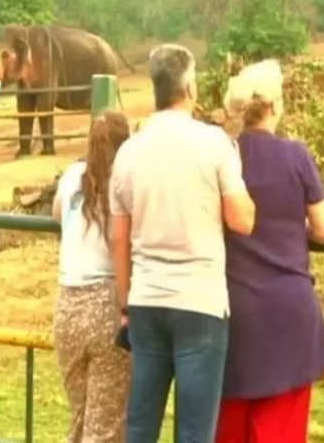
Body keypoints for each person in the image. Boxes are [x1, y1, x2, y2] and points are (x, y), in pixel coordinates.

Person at [109, 43, 255, 443]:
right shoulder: (214, 143)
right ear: (189, 86)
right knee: (194, 431)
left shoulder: (129, 151)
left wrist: (125, 303)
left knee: (140, 426)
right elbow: (242, 220)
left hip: (146, 302)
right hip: (199, 302)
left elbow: (118, 237)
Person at [216, 60, 324, 443]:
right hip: (289, 315)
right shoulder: (295, 155)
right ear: (273, 106)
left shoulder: (224, 156)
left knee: (229, 428)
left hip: (233, 314)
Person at [51, 110, 132, 442]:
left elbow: (58, 213)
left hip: (67, 303)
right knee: (105, 428)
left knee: (80, 419)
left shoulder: (72, 176)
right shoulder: (124, 184)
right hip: (105, 304)